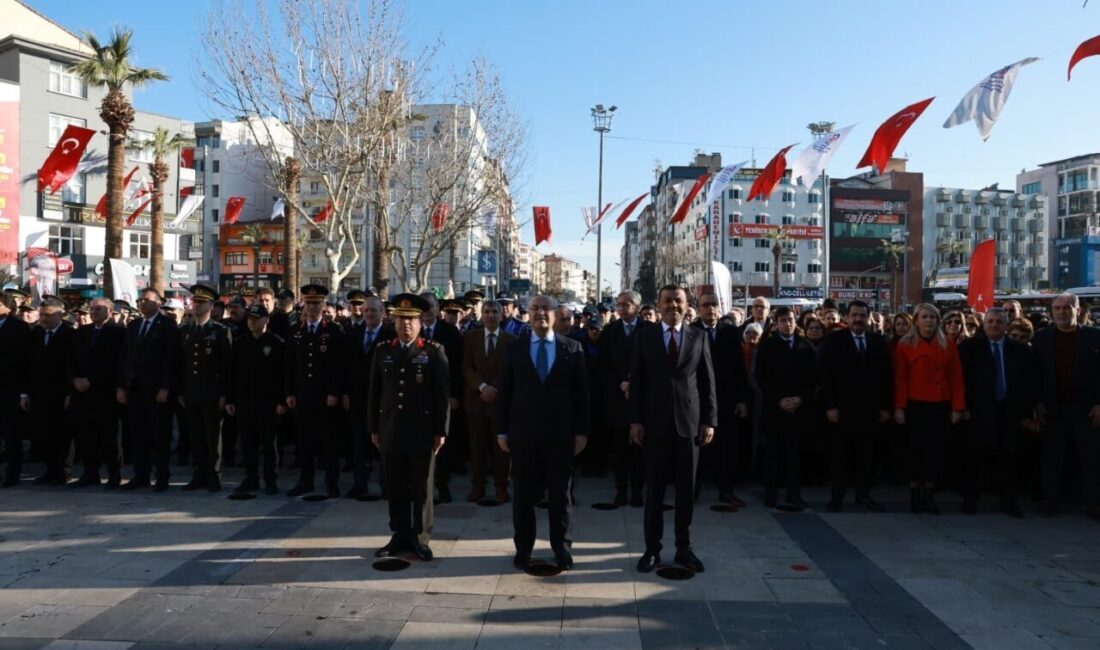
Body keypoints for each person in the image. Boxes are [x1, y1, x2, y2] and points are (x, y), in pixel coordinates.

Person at [497, 294, 590, 571]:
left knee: (561, 496)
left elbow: (582, 395)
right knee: (524, 495)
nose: (540, 313)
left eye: (545, 308)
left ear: (555, 313)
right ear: (527, 313)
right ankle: (523, 548)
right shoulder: (514, 349)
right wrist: (502, 431)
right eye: (534, 308)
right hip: (523, 434)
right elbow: (505, 394)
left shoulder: (572, 348)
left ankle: (562, 548)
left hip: (560, 436)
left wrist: (582, 432)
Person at [629, 285, 716, 574]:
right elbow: (637, 381)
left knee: (685, 493)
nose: (673, 306)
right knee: (653, 491)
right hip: (653, 425)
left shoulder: (699, 336)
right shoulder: (645, 336)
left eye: (678, 301)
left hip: (689, 426)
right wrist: (636, 421)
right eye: (667, 301)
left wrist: (709, 420)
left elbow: (707, 382)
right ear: (659, 303)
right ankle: (652, 550)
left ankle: (684, 549)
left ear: (686, 303)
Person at [368, 293, 450, 561]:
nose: (406, 325)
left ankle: (421, 537)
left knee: (422, 486)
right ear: (393, 321)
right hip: (391, 429)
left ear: (420, 321)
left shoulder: (433, 350)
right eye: (401, 319)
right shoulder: (383, 350)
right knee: (395, 484)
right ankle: (399, 534)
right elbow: (374, 394)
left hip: (422, 431)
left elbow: (441, 396)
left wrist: (441, 431)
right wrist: (374, 428)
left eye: (411, 320)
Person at [1030, 293, 1100, 521]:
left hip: (1087, 410)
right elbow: (1035, 374)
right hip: (1053, 408)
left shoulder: (1094, 337)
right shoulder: (1041, 338)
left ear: (1077, 310)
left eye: (1066, 308)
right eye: (1057, 308)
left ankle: (1094, 503)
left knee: (1091, 459)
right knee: (1052, 458)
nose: (1061, 312)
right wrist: (1037, 401)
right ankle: (1051, 501)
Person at [958, 308, 1033, 518]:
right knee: (975, 459)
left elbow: (1029, 384)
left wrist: (1026, 412)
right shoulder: (969, 348)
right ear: (984, 324)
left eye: (999, 322)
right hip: (979, 412)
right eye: (990, 321)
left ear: (1007, 325)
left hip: (1009, 412)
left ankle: (1008, 501)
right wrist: (963, 408)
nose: (994, 325)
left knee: (1008, 460)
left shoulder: (1021, 351)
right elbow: (961, 381)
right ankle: (970, 500)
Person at [819, 301, 892, 512]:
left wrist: (885, 407)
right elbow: (826, 376)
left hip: (870, 411)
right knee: (840, 457)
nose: (858, 319)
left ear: (868, 318)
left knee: (866, 457)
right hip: (842, 410)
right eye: (854, 315)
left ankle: (863, 496)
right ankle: (837, 497)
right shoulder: (834, 340)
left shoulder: (878, 341)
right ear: (847, 317)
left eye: (862, 315)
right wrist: (830, 406)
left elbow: (886, 377)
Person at [893, 303, 965, 515]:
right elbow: (900, 379)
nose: (928, 321)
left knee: (935, 451)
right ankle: (915, 494)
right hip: (915, 404)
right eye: (924, 317)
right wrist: (899, 407)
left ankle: (930, 495)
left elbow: (956, 377)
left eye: (932, 317)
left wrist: (957, 407)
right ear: (916, 320)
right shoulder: (905, 344)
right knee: (915, 451)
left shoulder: (947, 344)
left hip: (940, 403)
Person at [755, 306, 818, 510]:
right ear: (776, 322)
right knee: (772, 454)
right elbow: (761, 378)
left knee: (794, 455)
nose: (787, 323)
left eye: (790, 319)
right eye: (783, 320)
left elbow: (813, 378)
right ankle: (770, 494)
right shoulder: (768, 345)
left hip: (798, 409)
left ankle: (794, 494)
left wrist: (800, 399)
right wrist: (779, 400)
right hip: (775, 408)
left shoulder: (804, 346)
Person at [285, 284, 345, 499]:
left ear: (324, 305)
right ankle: (305, 481)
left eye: (316, 303)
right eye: (308, 303)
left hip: (325, 397)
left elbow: (339, 366)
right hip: (302, 396)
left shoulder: (333, 331)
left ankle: (331, 483)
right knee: (304, 442)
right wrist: (290, 392)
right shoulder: (296, 332)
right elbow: (289, 366)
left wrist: (334, 392)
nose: (311, 307)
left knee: (329, 443)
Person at [118, 288, 179, 492]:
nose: (142, 303)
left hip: (156, 390)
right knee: (138, 434)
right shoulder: (134, 325)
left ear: (158, 302)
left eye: (146, 299)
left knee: (159, 435)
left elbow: (171, 359)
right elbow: (125, 358)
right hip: (135, 389)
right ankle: (140, 474)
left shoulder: (167, 325)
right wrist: (122, 386)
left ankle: (162, 476)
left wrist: (165, 387)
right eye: (139, 299)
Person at [225, 304, 286, 496]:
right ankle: (250, 479)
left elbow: (283, 375)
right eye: (250, 318)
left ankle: (270, 480)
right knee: (248, 444)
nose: (252, 322)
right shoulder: (241, 342)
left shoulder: (276, 343)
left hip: (268, 403)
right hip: (245, 402)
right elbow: (232, 374)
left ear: (266, 320)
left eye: (256, 318)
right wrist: (230, 399)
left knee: (269, 445)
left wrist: (282, 401)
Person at [177, 284, 232, 492]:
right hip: (191, 391)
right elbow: (181, 364)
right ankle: (198, 473)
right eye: (195, 301)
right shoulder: (186, 331)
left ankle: (213, 474)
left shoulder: (220, 331)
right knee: (196, 435)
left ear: (210, 305)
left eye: (201, 302)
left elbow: (226, 366)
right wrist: (181, 391)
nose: (196, 305)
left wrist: (224, 393)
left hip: (212, 392)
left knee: (212, 436)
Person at [599, 290, 652, 507]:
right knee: (619, 448)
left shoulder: (649, 330)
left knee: (640, 447)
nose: (621, 307)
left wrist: (635, 383)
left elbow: (654, 364)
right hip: (617, 398)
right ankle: (621, 490)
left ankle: (637, 490)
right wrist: (620, 382)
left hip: (642, 398)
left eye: (626, 304)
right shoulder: (610, 331)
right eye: (618, 304)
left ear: (637, 307)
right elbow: (603, 365)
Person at [67, 298, 126, 489]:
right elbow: (71, 360)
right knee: (86, 436)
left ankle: (113, 475)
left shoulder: (118, 333)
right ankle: (89, 473)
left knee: (109, 437)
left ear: (110, 311)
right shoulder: (83, 332)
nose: (94, 312)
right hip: (82, 393)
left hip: (105, 393)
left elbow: (118, 363)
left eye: (99, 309)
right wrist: (75, 379)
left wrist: (92, 380)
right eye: (92, 309)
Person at [695, 292, 747, 505]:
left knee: (727, 449)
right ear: (699, 308)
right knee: (697, 449)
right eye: (705, 305)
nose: (710, 309)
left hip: (726, 399)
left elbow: (739, 367)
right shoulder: (692, 331)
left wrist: (742, 399)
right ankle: (692, 491)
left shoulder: (730, 332)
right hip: (697, 400)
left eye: (714, 305)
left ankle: (726, 491)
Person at [462, 300, 515, 503]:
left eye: (495, 312)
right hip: (476, 401)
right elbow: (466, 367)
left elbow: (510, 370)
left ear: (502, 315)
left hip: (501, 404)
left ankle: (502, 487)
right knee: (477, 448)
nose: (491, 315)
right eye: (487, 312)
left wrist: (495, 388)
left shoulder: (512, 340)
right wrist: (482, 387)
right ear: (482, 315)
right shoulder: (470, 337)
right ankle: (478, 486)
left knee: (502, 449)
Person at [343, 293, 394, 499]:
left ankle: (387, 485)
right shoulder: (354, 333)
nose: (370, 314)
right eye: (367, 310)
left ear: (382, 313)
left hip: (382, 400)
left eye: (374, 310)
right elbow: (345, 367)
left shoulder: (391, 336)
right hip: (357, 398)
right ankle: (360, 483)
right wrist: (345, 392)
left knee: (384, 446)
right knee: (359, 445)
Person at [419, 292, 464, 504]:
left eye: (431, 306)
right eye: (423, 306)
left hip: (442, 396)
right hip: (417, 397)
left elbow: (457, 366)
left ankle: (442, 485)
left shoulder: (450, 332)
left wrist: (454, 395)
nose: (427, 310)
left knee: (441, 443)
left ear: (438, 309)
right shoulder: (411, 330)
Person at [25, 297, 75, 485]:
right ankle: (50, 469)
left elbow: (73, 365)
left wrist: (70, 393)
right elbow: (30, 365)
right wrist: (27, 392)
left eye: (47, 315)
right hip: (40, 393)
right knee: (44, 433)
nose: (43, 319)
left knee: (62, 434)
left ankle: (64, 471)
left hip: (61, 393)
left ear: (60, 315)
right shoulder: (37, 334)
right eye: (41, 315)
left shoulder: (70, 335)